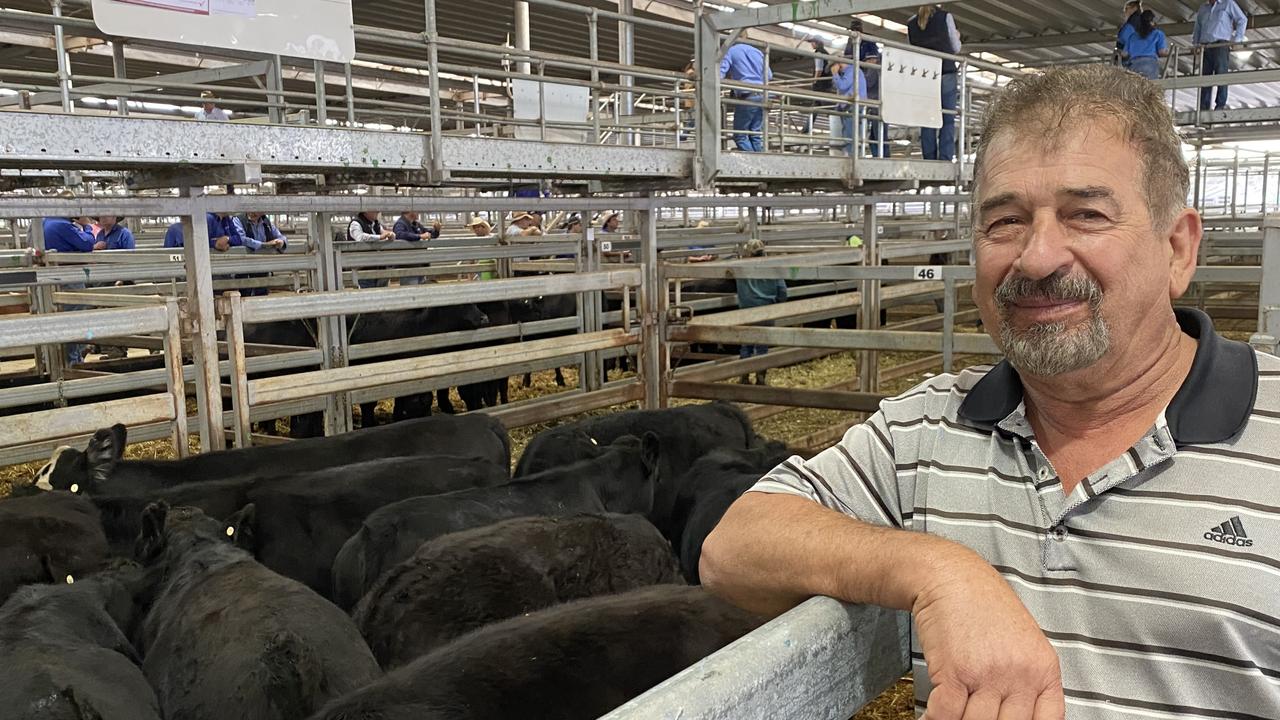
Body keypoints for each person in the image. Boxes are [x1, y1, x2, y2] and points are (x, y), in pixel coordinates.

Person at [702, 64, 1280, 717]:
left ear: (1177, 249)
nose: (1037, 257)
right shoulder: (925, 428)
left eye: (1085, 214)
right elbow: (732, 546)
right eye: (1004, 221)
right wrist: (940, 571)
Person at [908, 4, 961, 161]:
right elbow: (955, 47)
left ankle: (929, 157)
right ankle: (945, 157)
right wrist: (957, 37)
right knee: (947, 118)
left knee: (927, 118)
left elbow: (913, 49)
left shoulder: (911, 23)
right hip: (946, 70)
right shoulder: (945, 17)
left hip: (925, 75)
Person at [733, 239, 787, 386]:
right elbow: (782, 290)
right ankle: (761, 376)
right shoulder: (772, 267)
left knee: (746, 345)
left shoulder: (741, 267)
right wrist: (777, 305)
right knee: (762, 346)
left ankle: (744, 376)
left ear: (748, 253)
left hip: (746, 311)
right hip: (766, 310)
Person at [1192, 0, 1248, 111]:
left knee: (1221, 74)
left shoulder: (1228, 4)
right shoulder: (1203, 8)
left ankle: (1220, 104)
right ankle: (1204, 106)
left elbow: (1242, 19)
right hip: (1205, 46)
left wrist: (1237, 40)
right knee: (1205, 77)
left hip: (1221, 44)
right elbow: (1198, 27)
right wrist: (1195, 44)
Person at [719, 43, 773, 152]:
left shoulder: (730, 51)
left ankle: (753, 162)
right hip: (764, 94)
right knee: (755, 134)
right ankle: (763, 161)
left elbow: (719, 73)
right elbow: (769, 75)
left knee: (740, 135)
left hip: (747, 95)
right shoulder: (756, 51)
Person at [348, 211, 396, 289]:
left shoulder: (376, 224)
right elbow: (359, 237)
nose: (377, 212)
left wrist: (391, 235)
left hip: (380, 268)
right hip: (364, 269)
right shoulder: (355, 223)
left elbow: (384, 233)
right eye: (374, 209)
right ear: (365, 211)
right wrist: (380, 237)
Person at [830, 58, 868, 156]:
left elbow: (842, 86)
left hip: (853, 105)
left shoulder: (852, 71)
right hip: (849, 105)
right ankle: (849, 153)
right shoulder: (850, 72)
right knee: (848, 130)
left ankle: (851, 155)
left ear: (838, 65)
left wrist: (835, 74)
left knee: (850, 132)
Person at [1120, 10, 1170, 80]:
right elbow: (1161, 52)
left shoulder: (1133, 36)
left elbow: (1124, 53)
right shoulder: (1158, 34)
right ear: (1152, 22)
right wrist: (1170, 52)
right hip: (1150, 64)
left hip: (1134, 65)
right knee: (1151, 88)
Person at [1116, 1, 1143, 68]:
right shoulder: (1141, 20)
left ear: (1134, 8)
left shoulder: (1133, 21)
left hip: (1128, 56)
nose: (1125, 11)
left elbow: (1124, 37)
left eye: (1127, 9)